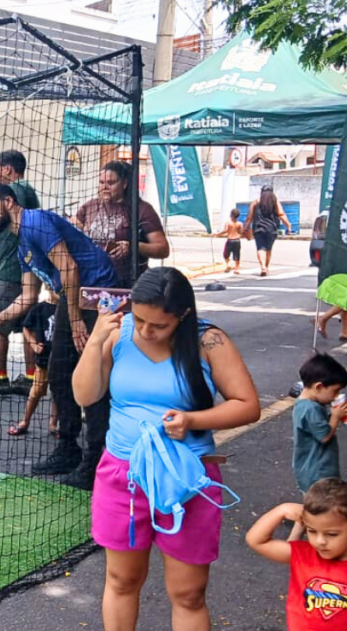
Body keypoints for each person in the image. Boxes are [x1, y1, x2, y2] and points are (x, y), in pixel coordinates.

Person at [72, 266, 261, 631]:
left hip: (187, 477)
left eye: (159, 325)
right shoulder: (118, 332)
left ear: (183, 316)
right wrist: (96, 341)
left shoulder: (208, 341)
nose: (146, 331)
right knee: (121, 580)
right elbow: (85, 394)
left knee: (188, 593)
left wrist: (193, 420)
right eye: (140, 319)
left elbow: (247, 404)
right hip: (123, 475)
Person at [0, 182, 120, 489]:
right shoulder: (20, 242)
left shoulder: (35, 221)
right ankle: (68, 447)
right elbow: (28, 296)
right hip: (76, 296)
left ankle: (96, 460)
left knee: (90, 374)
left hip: (96, 292)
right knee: (58, 372)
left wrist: (77, 317)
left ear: (9, 202)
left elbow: (69, 268)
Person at [246, 479, 347, 631]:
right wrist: (281, 510)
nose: (320, 541)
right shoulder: (302, 555)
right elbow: (256, 540)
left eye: (331, 534)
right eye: (311, 531)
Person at [0, 150, 41, 398]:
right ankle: (29, 377)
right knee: (28, 325)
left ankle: (0, 378)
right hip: (28, 268)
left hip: (11, 271)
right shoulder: (28, 192)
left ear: (7, 169)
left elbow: (2, 212)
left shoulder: (17, 188)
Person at [75, 160, 169, 287]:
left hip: (127, 282)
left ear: (124, 184)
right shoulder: (89, 207)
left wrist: (133, 247)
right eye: (101, 183)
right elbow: (74, 231)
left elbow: (163, 249)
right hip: (92, 279)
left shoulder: (141, 209)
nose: (104, 187)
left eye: (111, 183)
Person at [293, 353, 347, 497]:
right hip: (318, 470)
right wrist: (336, 417)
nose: (337, 395)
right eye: (335, 391)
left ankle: (304, 519)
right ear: (319, 386)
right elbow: (324, 436)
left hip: (309, 468)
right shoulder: (311, 409)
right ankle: (303, 520)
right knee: (321, 506)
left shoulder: (306, 404)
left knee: (314, 504)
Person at [8, 286, 59, 437]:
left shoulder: (67, 309)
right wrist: (33, 344)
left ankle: (53, 423)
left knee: (57, 393)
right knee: (35, 392)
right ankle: (25, 420)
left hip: (60, 359)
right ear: (48, 287)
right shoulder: (39, 309)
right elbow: (26, 328)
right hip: (43, 360)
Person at [243, 185, 292, 277]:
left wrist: (245, 228)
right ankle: (266, 266)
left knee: (260, 248)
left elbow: (249, 218)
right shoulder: (275, 202)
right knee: (268, 249)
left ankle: (263, 267)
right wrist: (288, 225)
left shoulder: (255, 202)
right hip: (271, 229)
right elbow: (281, 214)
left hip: (258, 228)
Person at [211, 208, 245, 274]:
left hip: (230, 240)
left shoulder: (228, 223)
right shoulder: (240, 224)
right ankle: (237, 268)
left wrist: (217, 234)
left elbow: (225, 230)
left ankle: (228, 264)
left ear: (231, 215)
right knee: (237, 254)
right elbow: (241, 232)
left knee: (226, 254)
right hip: (237, 240)